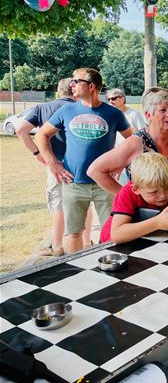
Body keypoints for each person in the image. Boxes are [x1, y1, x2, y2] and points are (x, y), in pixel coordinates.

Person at [36, 68, 133, 254]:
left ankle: (110, 271)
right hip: (73, 182)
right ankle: (77, 274)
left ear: (91, 86)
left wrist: (120, 163)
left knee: (111, 231)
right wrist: (53, 163)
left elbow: (133, 140)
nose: (71, 85)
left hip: (104, 184)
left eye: (76, 81)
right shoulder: (67, 110)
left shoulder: (113, 114)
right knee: (73, 233)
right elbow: (41, 135)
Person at [88, 88, 168, 202]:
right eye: (163, 110)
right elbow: (95, 170)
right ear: (148, 115)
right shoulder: (137, 142)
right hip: (145, 215)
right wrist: (129, 198)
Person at [15, 78, 84, 256]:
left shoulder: (42, 108)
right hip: (79, 163)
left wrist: (38, 154)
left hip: (54, 162)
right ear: (74, 90)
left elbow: (20, 129)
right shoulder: (82, 107)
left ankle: (57, 245)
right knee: (82, 202)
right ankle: (84, 241)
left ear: (58, 91)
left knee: (59, 203)